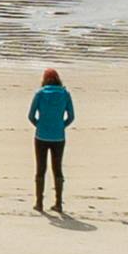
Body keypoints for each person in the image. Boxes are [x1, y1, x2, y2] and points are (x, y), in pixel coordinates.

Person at [25, 67, 75, 211]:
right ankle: (59, 203)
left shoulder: (40, 94)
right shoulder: (65, 94)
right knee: (57, 169)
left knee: (41, 168)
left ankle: (39, 202)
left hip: (41, 135)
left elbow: (30, 116)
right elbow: (71, 117)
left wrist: (39, 125)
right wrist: (61, 126)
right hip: (59, 137)